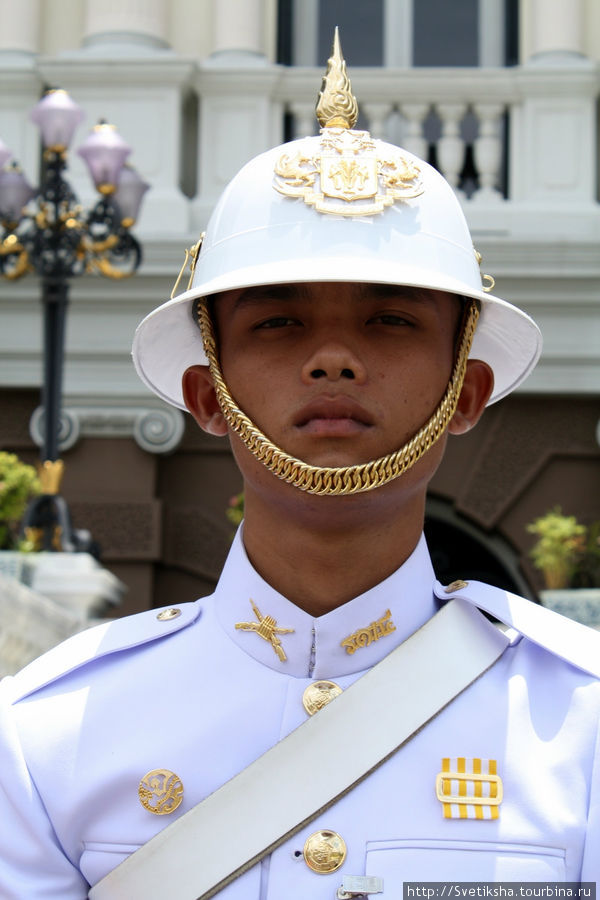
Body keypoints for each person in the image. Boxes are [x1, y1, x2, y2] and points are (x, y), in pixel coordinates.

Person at [1, 31, 599, 899]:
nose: (333, 359)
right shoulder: (47, 729)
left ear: (466, 392)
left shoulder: (581, 721)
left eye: (390, 320)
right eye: (277, 323)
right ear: (206, 395)